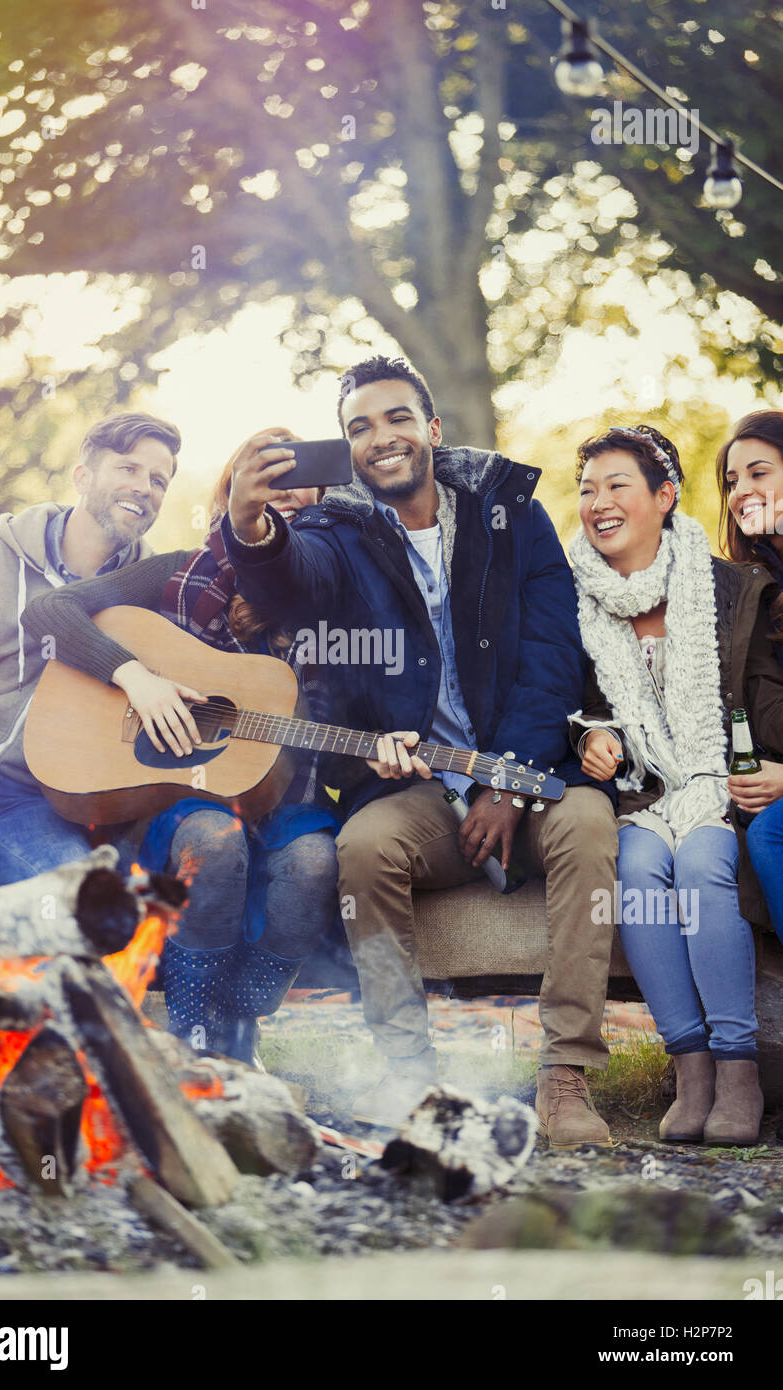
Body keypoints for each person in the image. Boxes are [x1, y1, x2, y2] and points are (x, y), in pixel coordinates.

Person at [223, 354, 619, 1142]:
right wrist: (249, 527)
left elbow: (551, 658)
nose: (382, 438)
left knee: (588, 824)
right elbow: (289, 584)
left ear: (432, 429)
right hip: (418, 789)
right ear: (347, 447)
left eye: (398, 417)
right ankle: (408, 1074)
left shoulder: (510, 511)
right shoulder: (335, 530)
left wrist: (508, 784)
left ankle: (565, 1077)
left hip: (528, 773)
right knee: (365, 847)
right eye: (359, 428)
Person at [22, 434, 340, 1066]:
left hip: (289, 800)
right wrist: (133, 675)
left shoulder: (338, 595)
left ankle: (240, 1018)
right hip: (185, 792)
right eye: (270, 494)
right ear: (235, 497)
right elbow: (50, 610)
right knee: (213, 843)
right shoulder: (176, 572)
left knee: (314, 865)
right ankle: (195, 1035)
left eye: (303, 509)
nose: (284, 514)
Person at [571, 423, 783, 1146]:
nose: (598, 502)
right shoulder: (574, 597)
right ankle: (690, 1067)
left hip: (716, 783)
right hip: (638, 796)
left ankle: (738, 1069)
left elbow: (759, 702)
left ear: (664, 496)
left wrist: (755, 771)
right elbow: (568, 701)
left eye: (616, 485)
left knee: (701, 867)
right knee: (634, 874)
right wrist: (589, 736)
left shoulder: (728, 586)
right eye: (587, 489)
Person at [0, 410, 181, 943]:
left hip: (27, 802)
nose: (144, 488)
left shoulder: (153, 595)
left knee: (81, 913)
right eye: (128, 468)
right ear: (83, 477)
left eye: (159, 479)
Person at [716, 410, 783, 944]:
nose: (741, 492)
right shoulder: (751, 588)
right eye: (733, 481)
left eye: (758, 473)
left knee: (771, 836)